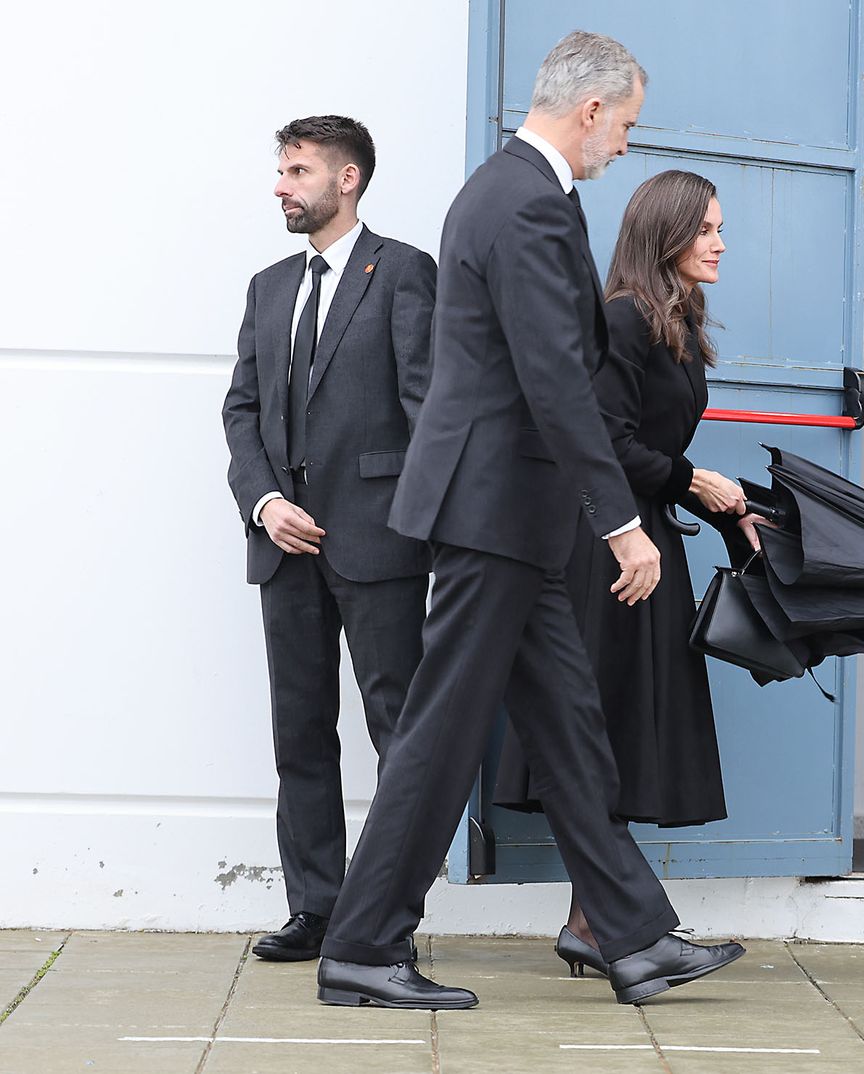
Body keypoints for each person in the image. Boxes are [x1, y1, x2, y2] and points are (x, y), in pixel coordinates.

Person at [314, 31, 744, 1011]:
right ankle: (364, 946)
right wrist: (619, 522)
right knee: (440, 733)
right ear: (589, 110)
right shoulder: (528, 202)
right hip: (496, 507)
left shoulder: (505, 191)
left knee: (571, 727)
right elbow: (555, 381)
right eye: (627, 123)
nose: (626, 145)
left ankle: (631, 938)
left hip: (508, 510)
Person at [493, 170, 766, 977]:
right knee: (597, 737)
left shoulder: (673, 319)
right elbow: (601, 439)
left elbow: (644, 446)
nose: (720, 243)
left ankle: (594, 922)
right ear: (667, 234)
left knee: (611, 738)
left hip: (645, 544)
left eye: (721, 229)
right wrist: (692, 481)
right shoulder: (623, 318)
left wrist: (726, 508)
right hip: (607, 553)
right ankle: (613, 927)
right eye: (707, 229)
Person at [221, 116, 434, 963]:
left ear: (347, 180)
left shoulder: (404, 271)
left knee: (400, 735)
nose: (281, 184)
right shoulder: (268, 286)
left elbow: (429, 409)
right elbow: (242, 411)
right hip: (285, 548)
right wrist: (265, 500)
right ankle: (316, 908)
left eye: (297, 169)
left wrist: (430, 524)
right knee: (300, 733)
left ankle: (385, 921)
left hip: (379, 542)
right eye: (280, 169)